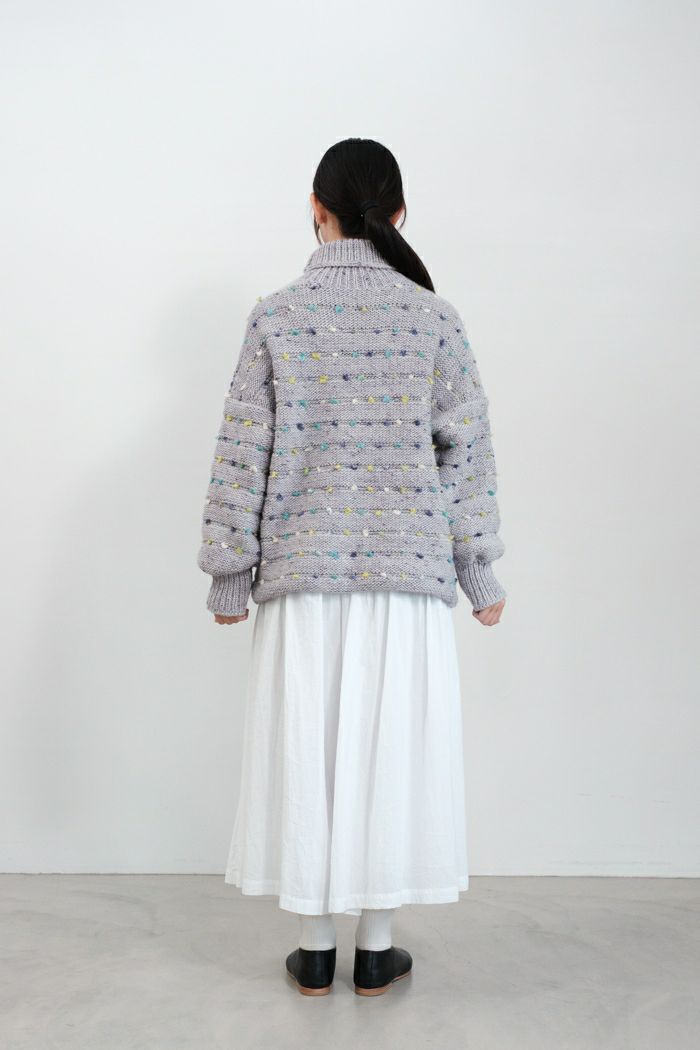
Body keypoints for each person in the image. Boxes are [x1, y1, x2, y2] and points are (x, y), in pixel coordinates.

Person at [197, 137, 507, 997]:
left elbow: (242, 449)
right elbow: (468, 455)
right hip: (406, 582)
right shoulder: (434, 318)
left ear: (315, 207)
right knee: (390, 758)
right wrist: (478, 572)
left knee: (310, 755)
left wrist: (229, 572)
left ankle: (314, 948)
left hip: (303, 582)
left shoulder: (277, 315)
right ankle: (376, 949)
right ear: (398, 213)